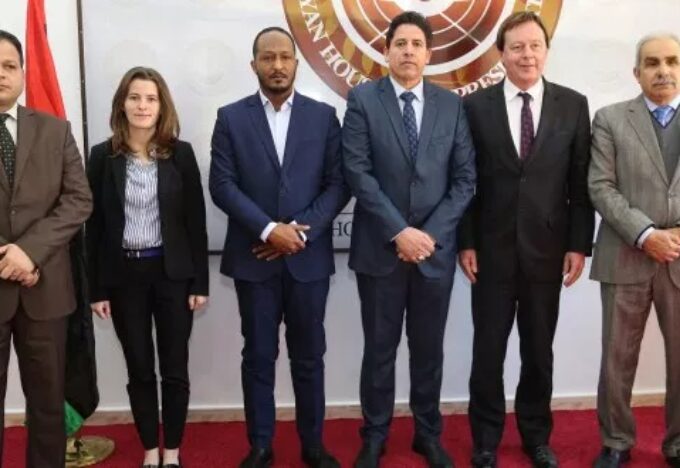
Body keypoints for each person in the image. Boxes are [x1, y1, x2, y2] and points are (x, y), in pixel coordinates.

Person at [457, 11, 594, 468]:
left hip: (547, 253)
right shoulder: (475, 107)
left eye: (535, 45)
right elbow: (465, 182)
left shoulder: (573, 105)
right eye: (516, 46)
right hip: (490, 253)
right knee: (487, 352)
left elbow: (579, 183)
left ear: (547, 50)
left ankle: (536, 436)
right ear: (502, 54)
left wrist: (578, 245)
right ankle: (485, 440)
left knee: (538, 352)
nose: (527, 55)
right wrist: (466, 241)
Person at [209, 27, 349, 468]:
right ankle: (260, 445)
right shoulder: (230, 118)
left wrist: (298, 233)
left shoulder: (323, 117)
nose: (277, 65)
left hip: (308, 260)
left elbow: (338, 184)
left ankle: (313, 445)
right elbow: (222, 185)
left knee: (309, 357)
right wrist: (270, 230)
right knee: (258, 357)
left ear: (297, 63)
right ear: (254, 64)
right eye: (268, 58)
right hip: (255, 260)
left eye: (285, 57)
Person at [342, 11, 476, 468]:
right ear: (386, 50)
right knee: (379, 351)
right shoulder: (362, 100)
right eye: (400, 43)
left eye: (417, 44)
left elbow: (465, 180)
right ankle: (375, 436)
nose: (408, 51)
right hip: (380, 250)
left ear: (429, 53)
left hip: (433, 255)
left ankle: (427, 434)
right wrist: (399, 232)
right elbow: (357, 171)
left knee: (428, 351)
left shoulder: (451, 106)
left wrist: (427, 237)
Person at [86, 66, 209, 468]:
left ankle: (171, 453)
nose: (143, 106)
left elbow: (195, 223)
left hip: (173, 276)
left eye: (151, 99)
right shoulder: (102, 157)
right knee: (139, 369)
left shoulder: (181, 154)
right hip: (124, 278)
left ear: (162, 106)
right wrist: (96, 289)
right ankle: (150, 452)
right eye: (135, 97)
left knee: (174, 370)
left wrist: (200, 283)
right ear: (122, 104)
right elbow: (94, 227)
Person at [0, 30, 92, 467]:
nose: (1, 74)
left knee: (48, 407)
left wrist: (29, 253)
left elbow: (79, 200)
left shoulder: (56, 130)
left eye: (9, 66)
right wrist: (7, 256)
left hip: (46, 290)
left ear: (23, 73)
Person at [589, 33, 680, 468]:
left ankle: (677, 443)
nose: (663, 70)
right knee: (617, 358)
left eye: (672, 61)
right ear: (636, 72)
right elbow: (600, 186)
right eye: (653, 62)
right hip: (625, 254)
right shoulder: (610, 119)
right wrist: (646, 234)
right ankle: (616, 442)